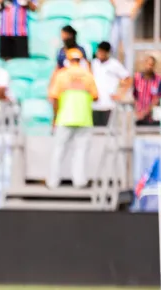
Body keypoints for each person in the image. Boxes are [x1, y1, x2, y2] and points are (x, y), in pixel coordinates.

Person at [47, 48, 98, 189]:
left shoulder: (62, 75)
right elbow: (96, 96)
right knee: (81, 151)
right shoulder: (88, 76)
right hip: (84, 118)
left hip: (65, 117)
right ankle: (79, 181)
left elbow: (54, 97)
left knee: (58, 150)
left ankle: (53, 181)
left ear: (67, 60)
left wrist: (55, 117)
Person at [90, 42, 131, 127]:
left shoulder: (114, 64)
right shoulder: (93, 64)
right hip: (94, 104)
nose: (100, 54)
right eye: (99, 51)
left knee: (108, 132)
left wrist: (120, 94)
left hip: (109, 104)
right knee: (95, 132)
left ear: (107, 53)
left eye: (102, 52)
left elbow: (128, 79)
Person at [111, 0, 145, 73]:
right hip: (115, 15)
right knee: (113, 46)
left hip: (127, 14)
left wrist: (134, 9)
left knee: (128, 48)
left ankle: (128, 74)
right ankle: (115, 72)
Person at [133, 55, 161, 126]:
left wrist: (145, 113)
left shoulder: (160, 80)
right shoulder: (136, 78)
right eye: (148, 64)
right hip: (138, 117)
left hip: (153, 118)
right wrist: (137, 112)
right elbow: (133, 96)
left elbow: (157, 100)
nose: (149, 67)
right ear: (144, 64)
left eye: (152, 65)